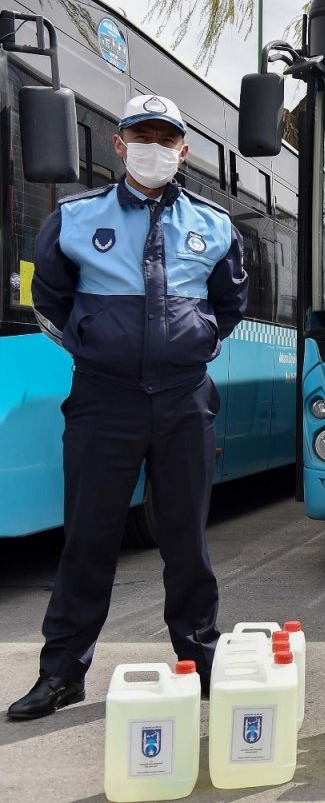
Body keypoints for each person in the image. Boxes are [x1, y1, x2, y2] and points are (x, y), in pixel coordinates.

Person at [10, 94, 246, 720]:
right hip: (103, 401)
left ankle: (200, 661)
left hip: (182, 400)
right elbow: (50, 299)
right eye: (141, 134)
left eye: (166, 138)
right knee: (87, 539)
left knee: (186, 541)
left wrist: (187, 348)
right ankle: (62, 674)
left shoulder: (215, 223)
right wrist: (97, 350)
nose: (154, 147)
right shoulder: (73, 217)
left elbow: (230, 307)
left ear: (183, 150)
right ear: (118, 144)